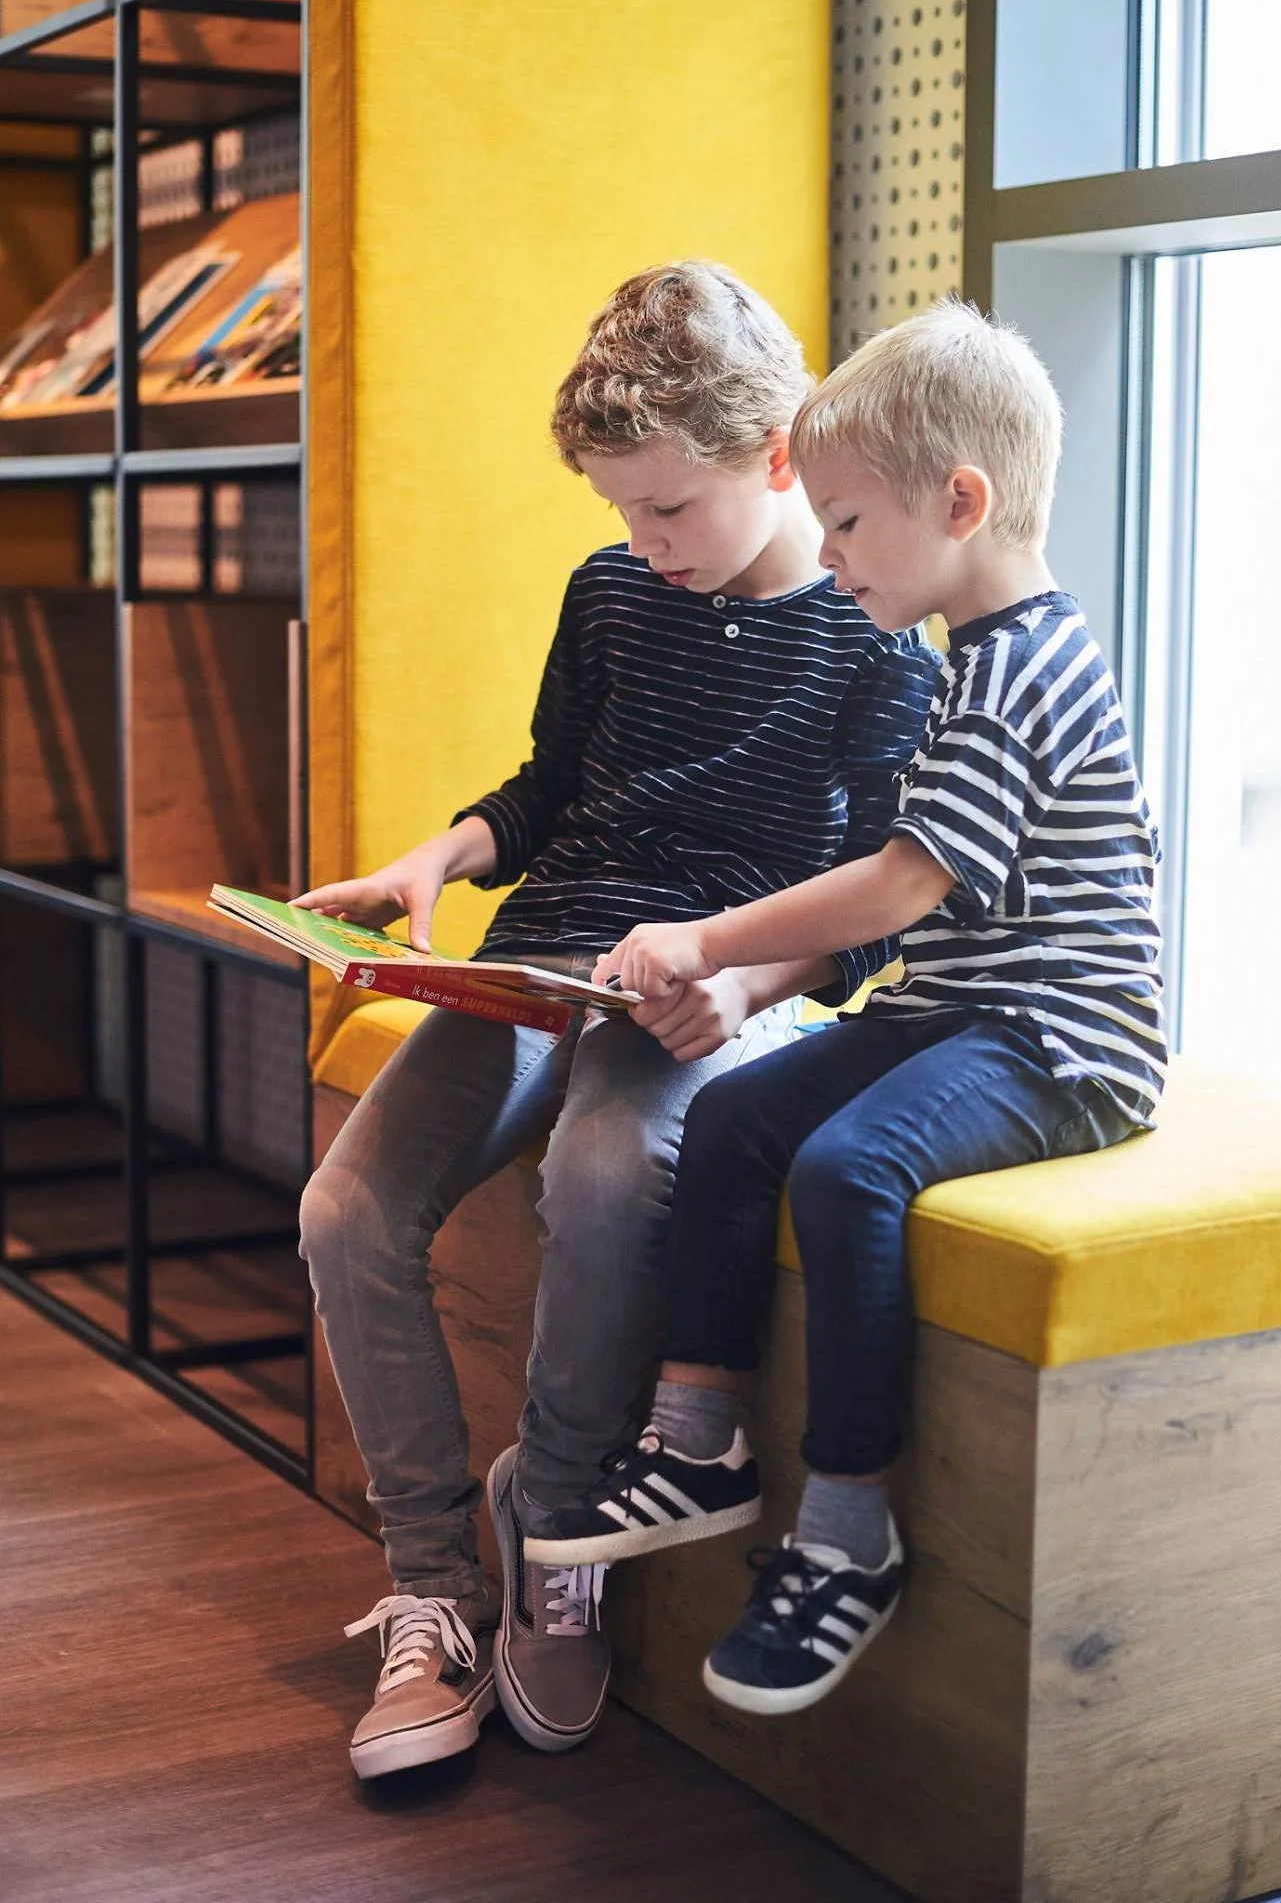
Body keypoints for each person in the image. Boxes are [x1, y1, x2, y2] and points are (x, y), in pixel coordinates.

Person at [294, 261, 941, 1775]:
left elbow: (873, 913)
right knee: (345, 1208)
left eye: (668, 509)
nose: (644, 545)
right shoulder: (611, 594)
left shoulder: (875, 648)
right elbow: (549, 790)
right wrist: (435, 859)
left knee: (603, 1169)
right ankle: (434, 1589)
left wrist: (743, 983)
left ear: (775, 455)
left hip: (712, 990)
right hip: (550, 959)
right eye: (619, 512)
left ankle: (562, 1535)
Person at [524, 298, 1166, 1718]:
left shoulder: (1024, 669)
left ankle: (846, 1528)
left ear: (961, 503)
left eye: (850, 523)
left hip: (1060, 1034)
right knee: (739, 1115)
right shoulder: (963, 658)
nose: (826, 555)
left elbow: (897, 884)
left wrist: (705, 939)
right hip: (959, 1003)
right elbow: (907, 918)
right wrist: (739, 978)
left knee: (844, 1164)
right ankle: (699, 1440)